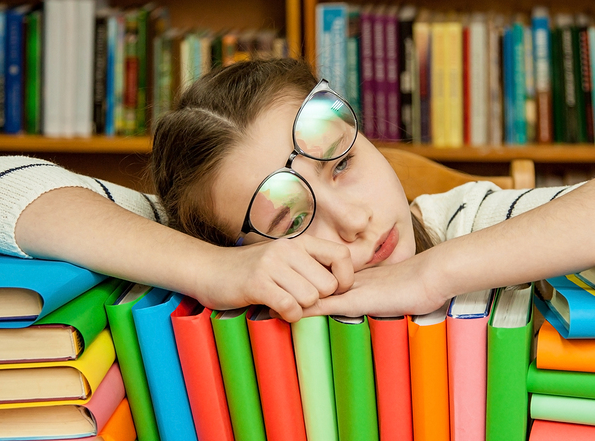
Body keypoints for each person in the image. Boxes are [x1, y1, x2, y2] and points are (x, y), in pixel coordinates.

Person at [3, 58, 595, 322]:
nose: (355, 220)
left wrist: (433, 273)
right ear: (238, 246)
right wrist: (210, 271)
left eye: (341, 162)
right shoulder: (205, 259)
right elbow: (14, 186)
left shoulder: (471, 223)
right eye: (288, 219)